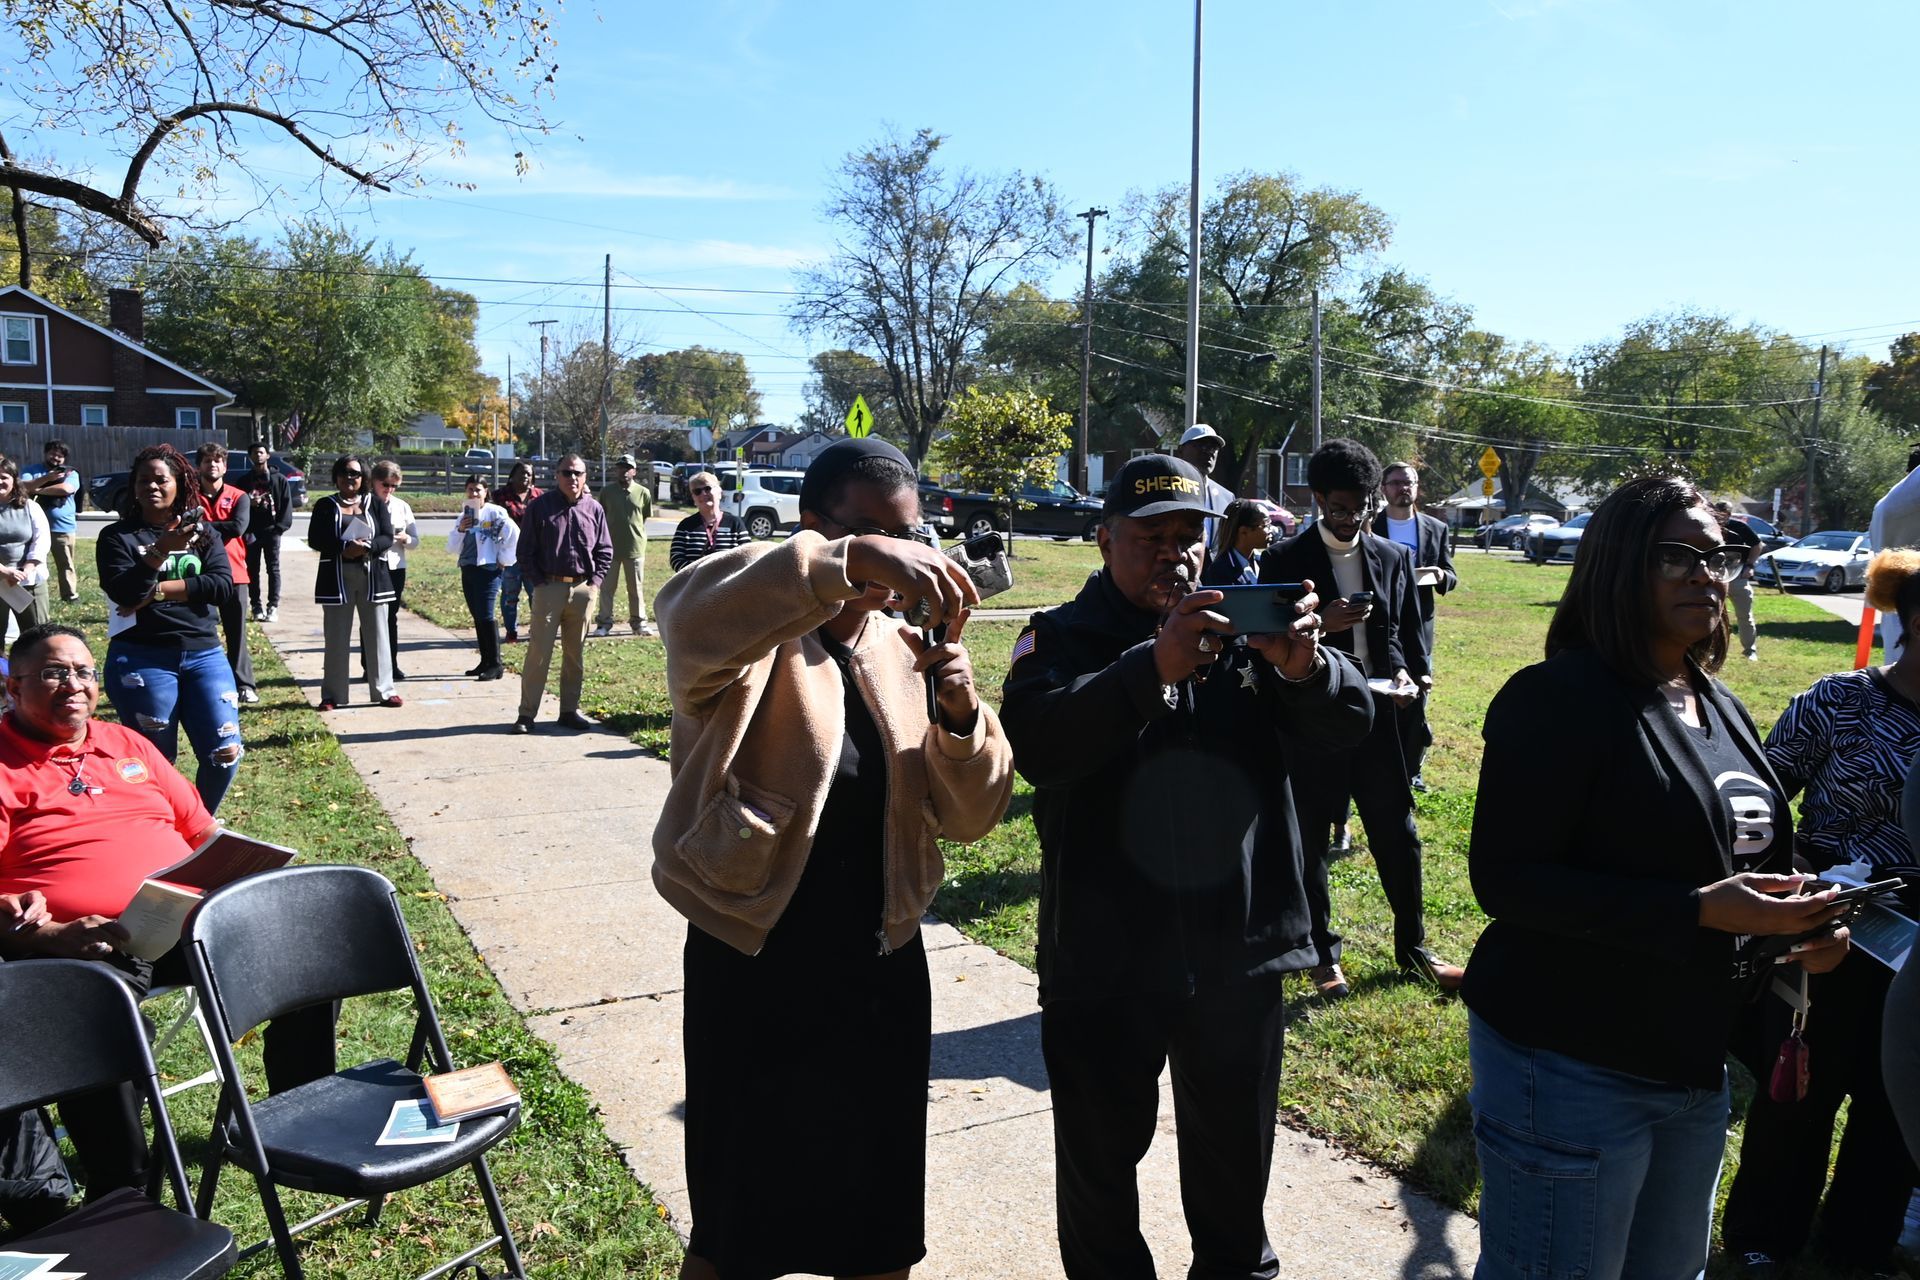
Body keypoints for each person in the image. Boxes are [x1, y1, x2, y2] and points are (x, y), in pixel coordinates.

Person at [1463, 474, 1854, 1280]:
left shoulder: (1718, 703)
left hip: (1692, 1063)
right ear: (1618, 565)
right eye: (1677, 557)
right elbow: (1507, 879)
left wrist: (1806, 921)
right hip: (1569, 1063)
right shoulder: (1557, 698)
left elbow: (1739, 854)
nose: (1706, 575)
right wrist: (1695, 911)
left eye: (1719, 558)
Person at [1000, 452, 1369, 1279]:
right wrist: (1151, 667)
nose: (1175, 555)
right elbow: (1041, 748)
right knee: (1099, 1177)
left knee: (1235, 1174)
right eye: (1150, 538)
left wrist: (1306, 667)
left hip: (1238, 952)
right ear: (1104, 539)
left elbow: (1350, 724)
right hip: (1105, 958)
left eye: (1189, 537)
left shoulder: (1245, 628)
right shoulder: (1060, 636)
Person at [654, 436, 1014, 1280]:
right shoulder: (754, 631)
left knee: (878, 1226)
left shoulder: (904, 650)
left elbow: (972, 817)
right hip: (755, 963)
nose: (894, 562)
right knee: (737, 1230)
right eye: (867, 534)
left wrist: (960, 712)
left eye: (906, 536)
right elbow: (685, 614)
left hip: (879, 967)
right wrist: (845, 561)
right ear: (812, 526)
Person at [0, 623, 335, 1206]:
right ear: (13, 687)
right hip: (80, 943)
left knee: (301, 950)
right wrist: (48, 933)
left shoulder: (127, 744)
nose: (73, 685)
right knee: (96, 1021)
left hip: (182, 920)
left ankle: (297, 1120)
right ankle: (124, 1190)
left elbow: (202, 831)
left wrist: (237, 870)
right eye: (54, 673)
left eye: (83, 672)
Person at [1719, 547, 1920, 1275]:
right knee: (1798, 1092)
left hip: (1917, 952)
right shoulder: (1840, 700)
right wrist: (1802, 884)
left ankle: (1858, 1246)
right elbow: (1761, 807)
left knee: (1897, 1103)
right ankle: (1763, 1239)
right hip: (1828, 924)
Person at [1261, 439, 1457, 996]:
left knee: (1399, 833)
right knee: (1312, 840)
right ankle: (1323, 956)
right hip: (1313, 719)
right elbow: (1267, 644)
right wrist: (1323, 621)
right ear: (1319, 499)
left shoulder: (1392, 557)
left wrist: (1409, 677)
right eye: (1340, 508)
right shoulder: (1284, 560)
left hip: (1380, 716)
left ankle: (1414, 948)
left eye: (1362, 507)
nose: (1352, 518)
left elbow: (1401, 633)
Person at [96, 444, 244, 814]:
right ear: (133, 487)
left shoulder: (203, 534)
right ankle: (162, 826)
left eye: (161, 480)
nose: (152, 486)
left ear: (180, 484)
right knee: (157, 759)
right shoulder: (117, 537)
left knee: (225, 752)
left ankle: (196, 825)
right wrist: (161, 549)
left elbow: (222, 586)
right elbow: (126, 592)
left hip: (204, 654)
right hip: (142, 656)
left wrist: (158, 590)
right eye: (143, 480)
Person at [1373, 461, 1457, 790]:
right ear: (1383, 489)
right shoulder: (1371, 525)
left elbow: (1450, 574)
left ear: (1417, 487)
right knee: (1384, 695)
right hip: (1382, 625)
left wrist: (1440, 575)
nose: (1403, 488)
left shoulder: (1436, 528)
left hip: (1420, 628)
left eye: (1408, 482)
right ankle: (1380, 762)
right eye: (1395, 483)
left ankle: (1413, 769)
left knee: (1419, 698)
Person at [513, 453, 611, 734]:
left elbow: (605, 549)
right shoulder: (540, 507)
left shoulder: (594, 509)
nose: (572, 478)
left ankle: (569, 710)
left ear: (585, 477)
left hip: (583, 589)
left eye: (578, 473)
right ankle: (526, 714)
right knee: (538, 653)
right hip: (549, 587)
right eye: (567, 473)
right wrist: (539, 583)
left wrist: (594, 583)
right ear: (557, 476)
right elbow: (524, 550)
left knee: (574, 655)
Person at [307, 455, 400, 712]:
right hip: (337, 577)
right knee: (336, 637)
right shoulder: (325, 505)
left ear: (364, 477)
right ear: (336, 476)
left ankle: (384, 690)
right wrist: (343, 547)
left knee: (378, 634)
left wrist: (367, 547)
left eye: (356, 474)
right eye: (345, 472)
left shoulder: (375, 503)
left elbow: (387, 536)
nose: (350, 478)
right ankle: (333, 695)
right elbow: (315, 539)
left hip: (372, 576)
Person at [195, 441, 257, 706]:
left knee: (236, 632)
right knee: (202, 631)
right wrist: (216, 526)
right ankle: (207, 683)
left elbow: (238, 527)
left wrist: (201, 527)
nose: (213, 465)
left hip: (235, 573)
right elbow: (184, 525)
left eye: (218, 460)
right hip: (199, 574)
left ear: (225, 466)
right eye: (207, 461)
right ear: (199, 466)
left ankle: (244, 684)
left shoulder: (239, 496)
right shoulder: (189, 497)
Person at [449, 475, 518, 682]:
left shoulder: (495, 513)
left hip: (488, 570)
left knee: (486, 615)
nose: (474, 493)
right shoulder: (463, 515)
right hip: (468, 568)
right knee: (478, 615)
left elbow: (514, 535)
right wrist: (461, 529)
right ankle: (485, 661)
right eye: (470, 489)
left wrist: (503, 560)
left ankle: (496, 664)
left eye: (478, 489)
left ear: (486, 492)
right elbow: (452, 547)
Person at [593, 453, 656, 638]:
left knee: (635, 589)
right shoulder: (607, 492)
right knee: (607, 588)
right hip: (609, 549)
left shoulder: (643, 492)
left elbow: (644, 516)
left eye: (627, 468)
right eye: (620, 467)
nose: (624, 471)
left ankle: (639, 623)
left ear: (634, 471)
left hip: (634, 547)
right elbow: (601, 517)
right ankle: (604, 624)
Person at [370, 460, 419, 681]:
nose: (389, 490)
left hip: (395, 567)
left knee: (391, 617)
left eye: (394, 486)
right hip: (372, 566)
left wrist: (406, 538)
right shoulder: (365, 503)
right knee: (371, 617)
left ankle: (391, 664)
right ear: (374, 481)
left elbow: (415, 541)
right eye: (385, 484)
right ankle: (370, 665)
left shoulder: (402, 506)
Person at [17, 441, 79, 604]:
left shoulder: (70, 472)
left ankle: (70, 595)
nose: (56, 458)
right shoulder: (31, 470)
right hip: (31, 528)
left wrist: (38, 490)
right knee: (30, 560)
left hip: (62, 527)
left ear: (64, 459)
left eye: (60, 456)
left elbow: (66, 489)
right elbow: (22, 486)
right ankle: (29, 590)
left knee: (66, 563)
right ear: (45, 453)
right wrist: (47, 478)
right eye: (53, 453)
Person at [239, 441, 293, 623]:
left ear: (268, 455)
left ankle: (273, 606)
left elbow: (286, 504)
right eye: (254, 453)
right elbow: (237, 506)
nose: (258, 455)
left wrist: (279, 528)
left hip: (272, 530)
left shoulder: (279, 480)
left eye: (261, 452)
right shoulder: (244, 481)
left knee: (273, 568)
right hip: (251, 531)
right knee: (252, 570)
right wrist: (249, 503)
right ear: (250, 456)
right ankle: (256, 606)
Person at [0, 454, 51, 635]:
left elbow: (41, 541)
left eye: (4, 477)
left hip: (29, 579)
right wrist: (5, 572)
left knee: (36, 634)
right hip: (1, 579)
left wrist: (25, 571)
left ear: (14, 480)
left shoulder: (30, 507)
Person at [493, 461, 541, 643]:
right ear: (512, 476)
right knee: (510, 596)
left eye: (529, 474)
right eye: (522, 473)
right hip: (509, 556)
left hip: (534, 556)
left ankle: (537, 629)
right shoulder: (500, 496)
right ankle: (511, 631)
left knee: (536, 595)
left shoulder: (540, 497)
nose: (526, 477)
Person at [1711, 500, 1763, 662]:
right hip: (1716, 576)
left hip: (1738, 576)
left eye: (1724, 514)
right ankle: (1710, 650)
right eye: (1717, 514)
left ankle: (1750, 650)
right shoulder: (1710, 527)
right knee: (1712, 614)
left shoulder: (1739, 527)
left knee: (1744, 615)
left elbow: (1757, 545)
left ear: (1729, 514)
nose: (1720, 517)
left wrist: (1750, 565)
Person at [1171, 423, 1234, 554]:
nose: (1209, 452)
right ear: (1181, 451)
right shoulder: (1169, 489)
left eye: (1214, 447)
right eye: (1202, 445)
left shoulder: (1226, 497)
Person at [669, 470, 751, 571]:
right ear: (693, 498)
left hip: (729, 580)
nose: (703, 493)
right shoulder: (686, 525)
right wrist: (698, 573)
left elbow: (748, 555)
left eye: (707, 488)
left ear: (719, 493)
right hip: (696, 580)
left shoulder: (735, 523)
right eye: (697, 491)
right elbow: (676, 558)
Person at [1201, 498, 1273, 586]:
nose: (1271, 530)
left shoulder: (1264, 560)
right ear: (1244, 532)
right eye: (1265, 525)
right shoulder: (1220, 571)